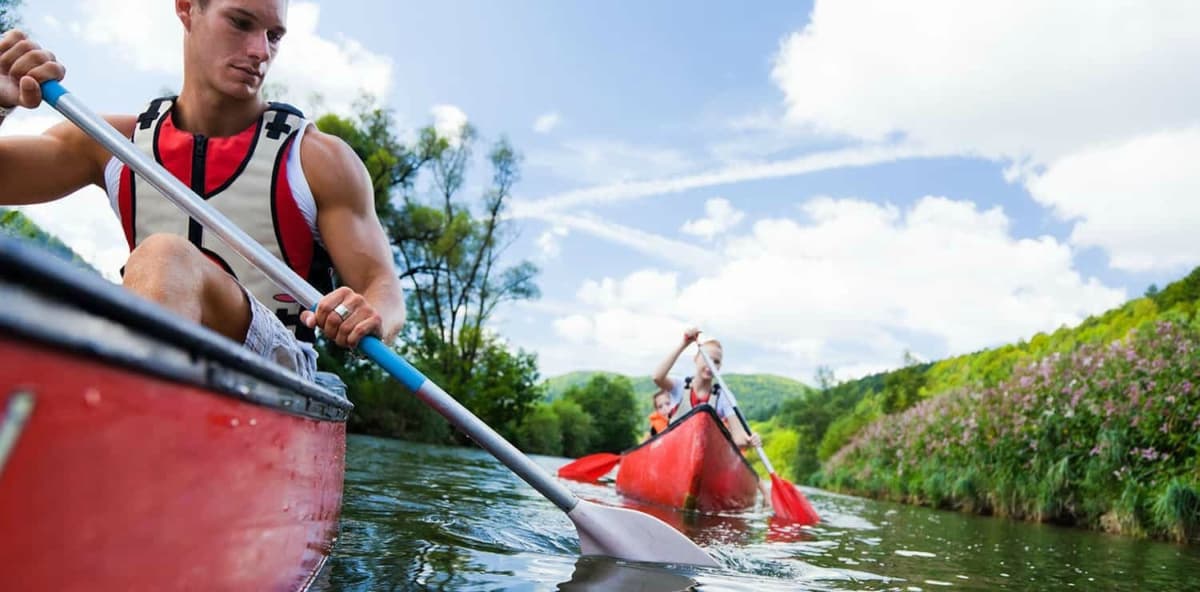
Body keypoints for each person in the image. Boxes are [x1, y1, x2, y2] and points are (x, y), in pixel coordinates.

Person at [0, 0, 404, 383]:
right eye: (241, 23)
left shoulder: (319, 159)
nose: (260, 51)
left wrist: (373, 315)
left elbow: (383, 288)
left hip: (278, 368)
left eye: (274, 36)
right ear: (186, 8)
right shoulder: (110, 143)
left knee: (165, 254)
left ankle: (123, 418)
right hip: (149, 343)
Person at [651, 327, 762, 450]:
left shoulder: (724, 396)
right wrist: (684, 343)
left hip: (703, 451)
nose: (711, 365)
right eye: (707, 359)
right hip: (674, 449)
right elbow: (657, 377)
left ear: (720, 366)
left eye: (716, 362)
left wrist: (750, 440)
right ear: (696, 359)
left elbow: (739, 438)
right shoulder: (680, 386)